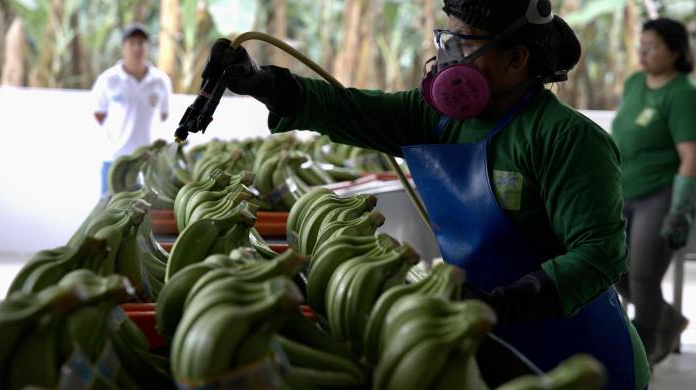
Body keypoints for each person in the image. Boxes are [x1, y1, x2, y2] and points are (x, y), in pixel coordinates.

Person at [215, 0, 649, 388]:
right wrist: (265, 83)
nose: (445, 59)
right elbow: (350, 108)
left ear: (516, 58)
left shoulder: (566, 139)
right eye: (444, 41)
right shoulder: (437, 118)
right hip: (482, 336)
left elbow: (600, 254)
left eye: (461, 45)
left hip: (578, 351)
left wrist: (509, 301)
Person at [612, 17, 695, 366]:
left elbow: (691, 154)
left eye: (652, 46)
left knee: (643, 274)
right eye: (641, 44)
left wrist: (679, 209)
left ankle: (639, 356)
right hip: (620, 191)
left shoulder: (682, 94)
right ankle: (669, 320)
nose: (643, 51)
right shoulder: (634, 83)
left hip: (659, 193)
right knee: (611, 265)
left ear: (675, 52)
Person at [91, 23, 172, 195]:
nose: (137, 47)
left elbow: (164, 116)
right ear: (123, 48)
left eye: (141, 42)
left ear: (148, 47)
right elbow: (99, 114)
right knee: (107, 211)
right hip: (114, 160)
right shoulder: (108, 79)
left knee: (145, 213)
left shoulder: (160, 81)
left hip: (148, 161)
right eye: (132, 42)